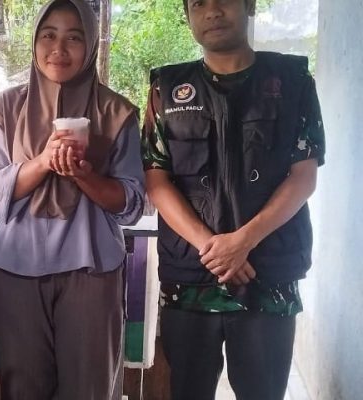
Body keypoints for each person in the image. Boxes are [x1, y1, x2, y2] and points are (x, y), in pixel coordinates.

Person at [141, 0, 325, 399]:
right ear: (187, 15)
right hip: (190, 280)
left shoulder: (292, 82)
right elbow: (156, 181)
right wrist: (215, 248)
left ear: (249, 6)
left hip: (267, 276)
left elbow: (303, 177)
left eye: (223, 0)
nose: (212, 11)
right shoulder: (166, 89)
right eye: (198, 4)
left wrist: (243, 241)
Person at [0, 0, 145, 398]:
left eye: (74, 38)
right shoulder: (7, 108)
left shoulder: (115, 112)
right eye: (48, 36)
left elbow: (133, 203)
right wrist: (43, 162)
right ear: (35, 42)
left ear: (91, 46)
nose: (59, 49)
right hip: (15, 268)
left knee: (88, 387)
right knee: (23, 387)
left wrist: (85, 175)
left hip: (91, 269)